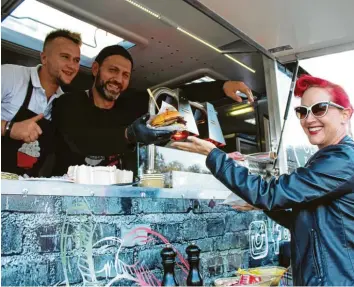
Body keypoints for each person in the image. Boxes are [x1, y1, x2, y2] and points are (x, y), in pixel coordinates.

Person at [171, 75, 354, 286]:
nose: (309, 119)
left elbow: (271, 193)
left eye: (319, 108)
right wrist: (262, 205)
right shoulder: (330, 159)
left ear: (345, 114)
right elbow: (303, 220)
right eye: (302, 111)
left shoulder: (343, 160)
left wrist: (214, 155)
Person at [51, 44, 254, 176]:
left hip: (115, 193)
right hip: (68, 190)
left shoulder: (131, 102)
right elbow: (81, 141)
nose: (118, 80)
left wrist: (221, 87)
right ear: (96, 69)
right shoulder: (68, 103)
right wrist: (128, 134)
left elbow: (176, 95)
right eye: (112, 71)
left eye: (125, 75)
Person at [1, 29, 81, 176]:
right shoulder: (10, 76)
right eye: (65, 57)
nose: (72, 65)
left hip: (23, 191)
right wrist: (9, 128)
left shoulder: (64, 103)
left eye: (76, 60)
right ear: (44, 58)